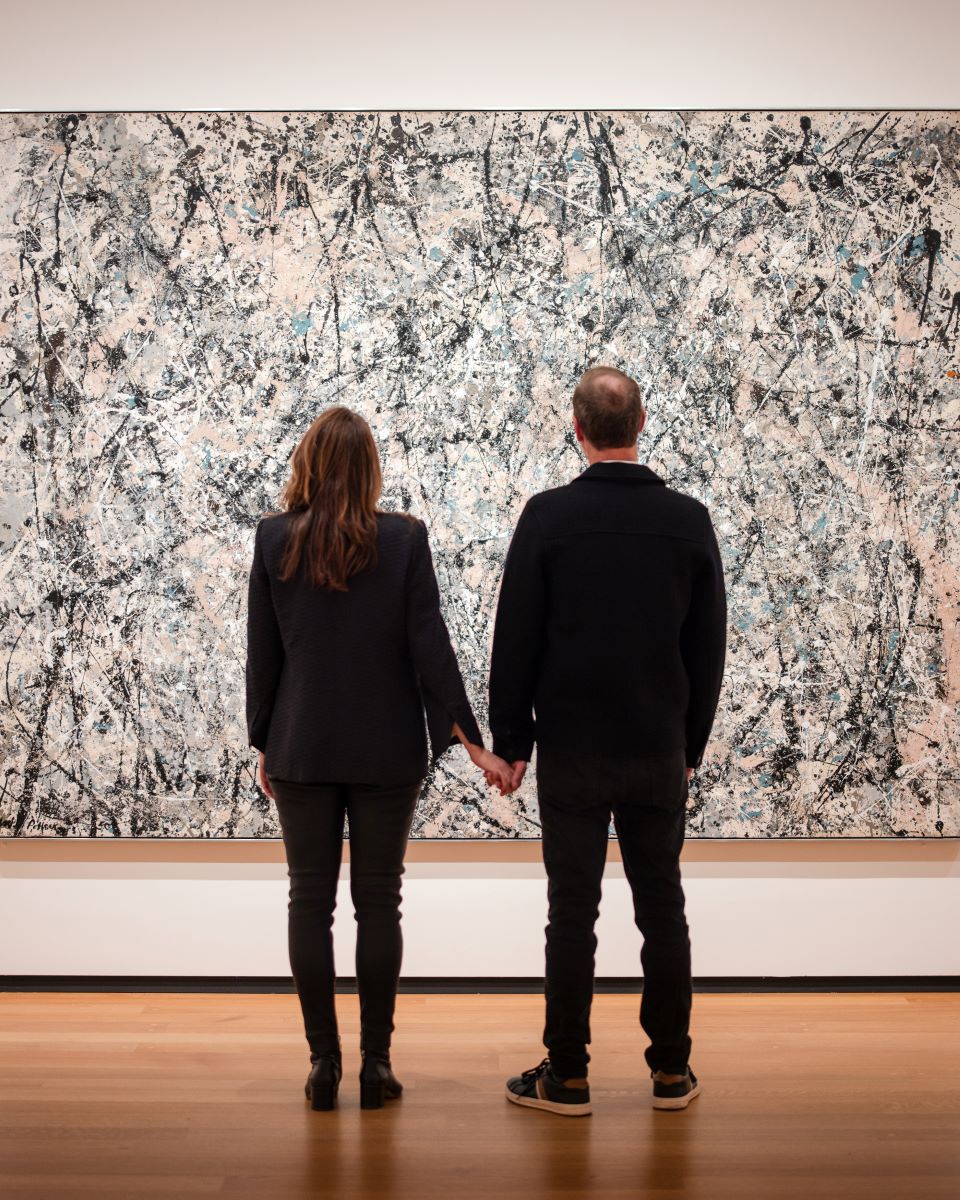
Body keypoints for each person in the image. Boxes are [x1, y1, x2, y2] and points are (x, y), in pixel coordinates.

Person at [245, 405, 512, 1112]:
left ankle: (323, 1064)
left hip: (301, 745)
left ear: (307, 462)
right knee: (379, 904)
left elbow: (262, 658)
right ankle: (376, 1065)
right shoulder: (401, 540)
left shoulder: (274, 539)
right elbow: (431, 646)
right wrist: (473, 740)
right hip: (386, 750)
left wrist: (264, 739)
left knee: (309, 901)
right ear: (370, 470)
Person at [488, 366, 727, 1115]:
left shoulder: (548, 517)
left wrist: (512, 739)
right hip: (658, 747)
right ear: (643, 424)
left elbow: (515, 637)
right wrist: (690, 744)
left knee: (573, 913)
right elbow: (708, 645)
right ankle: (670, 1073)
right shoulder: (687, 520)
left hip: (575, 749)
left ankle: (568, 1075)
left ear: (577, 428)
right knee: (663, 908)